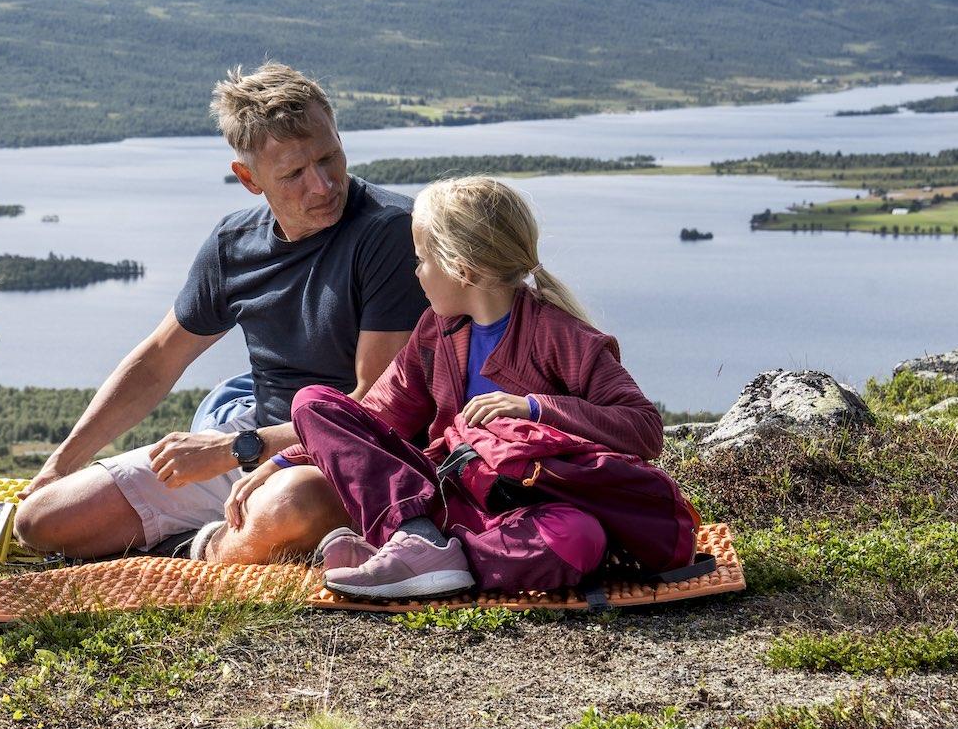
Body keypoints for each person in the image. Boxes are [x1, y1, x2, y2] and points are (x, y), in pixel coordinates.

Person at [14, 63, 429, 563]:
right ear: (249, 179)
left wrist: (233, 450)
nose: (322, 186)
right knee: (42, 520)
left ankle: (205, 548)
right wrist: (62, 462)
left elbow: (370, 409)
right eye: (294, 174)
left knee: (290, 504)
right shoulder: (234, 243)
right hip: (259, 441)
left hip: (350, 457)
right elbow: (157, 362)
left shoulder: (389, 233)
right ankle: (239, 543)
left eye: (329, 157)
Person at [262, 176, 696, 599]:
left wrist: (536, 408)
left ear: (461, 269)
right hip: (444, 492)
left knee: (578, 538)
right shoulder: (436, 330)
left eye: (421, 261)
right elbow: (376, 418)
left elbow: (644, 429)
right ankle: (414, 538)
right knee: (313, 402)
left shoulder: (564, 337)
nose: (416, 273)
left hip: (521, 508)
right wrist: (283, 459)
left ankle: (428, 556)